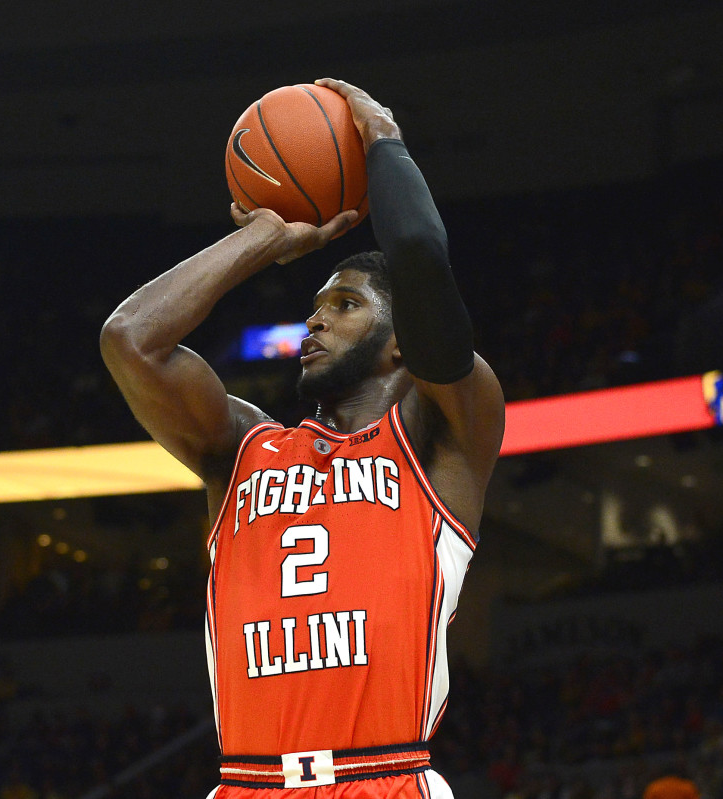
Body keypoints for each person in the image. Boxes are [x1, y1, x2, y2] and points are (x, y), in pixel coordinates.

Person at [100, 77, 505, 798]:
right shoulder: (243, 449)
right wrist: (261, 236)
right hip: (246, 785)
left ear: (400, 344)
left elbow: (416, 248)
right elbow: (131, 340)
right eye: (314, 307)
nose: (313, 323)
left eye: (344, 305)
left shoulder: (437, 437)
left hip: (382, 778)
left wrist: (382, 139)